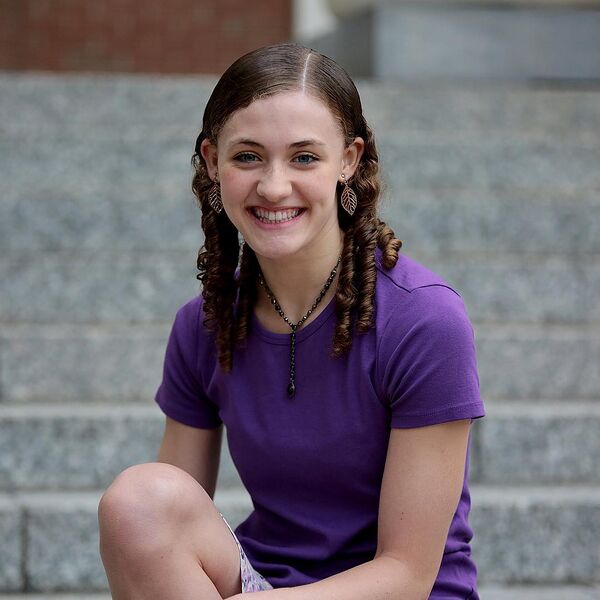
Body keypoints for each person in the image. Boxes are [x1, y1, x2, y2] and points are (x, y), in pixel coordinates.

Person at [98, 42, 486, 600]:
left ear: (348, 160)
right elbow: (170, 519)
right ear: (213, 161)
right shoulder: (206, 324)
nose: (274, 186)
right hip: (265, 585)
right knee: (138, 503)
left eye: (304, 157)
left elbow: (407, 574)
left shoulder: (424, 321)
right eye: (247, 156)